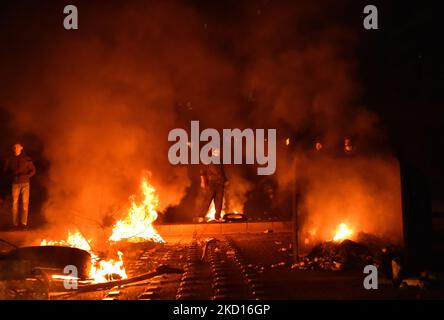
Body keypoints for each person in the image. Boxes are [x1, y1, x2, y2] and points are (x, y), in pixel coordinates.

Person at [3, 143, 36, 230]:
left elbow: (33, 170)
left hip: (25, 184)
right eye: (14, 147)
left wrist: (26, 176)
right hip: (15, 184)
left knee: (25, 204)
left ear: (21, 148)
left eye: (17, 147)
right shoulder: (10, 159)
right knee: (14, 204)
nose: (16, 148)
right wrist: (11, 176)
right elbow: (5, 171)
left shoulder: (27, 159)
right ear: (13, 149)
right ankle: (15, 224)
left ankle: (24, 224)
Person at [199, 148, 227, 222]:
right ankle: (201, 216)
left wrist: (225, 180)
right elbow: (202, 171)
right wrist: (202, 181)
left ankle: (217, 217)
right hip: (211, 182)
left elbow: (222, 170)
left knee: (219, 200)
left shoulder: (219, 160)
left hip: (220, 183)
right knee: (208, 199)